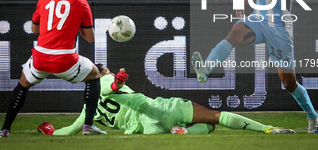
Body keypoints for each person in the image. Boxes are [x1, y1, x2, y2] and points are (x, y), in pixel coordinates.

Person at [191, 0, 318, 133]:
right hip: (259, 19)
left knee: (289, 83)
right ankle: (206, 69)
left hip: (279, 28)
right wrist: (245, 1)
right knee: (234, 34)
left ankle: (312, 116)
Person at [37, 64, 295, 136]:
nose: (106, 71)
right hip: (156, 109)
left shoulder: (85, 111)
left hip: (146, 130)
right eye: (104, 69)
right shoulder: (103, 80)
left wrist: (50, 131)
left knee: (207, 128)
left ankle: (178, 133)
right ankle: (269, 129)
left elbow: (69, 131)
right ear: (100, 73)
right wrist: (116, 82)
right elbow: (108, 89)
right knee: (215, 119)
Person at [0, 0, 105, 138]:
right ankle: (88, 126)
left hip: (40, 57)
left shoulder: (44, 0)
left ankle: (4, 129)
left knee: (23, 84)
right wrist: (76, 26)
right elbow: (90, 38)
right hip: (65, 60)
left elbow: (35, 30)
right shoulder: (82, 3)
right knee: (94, 74)